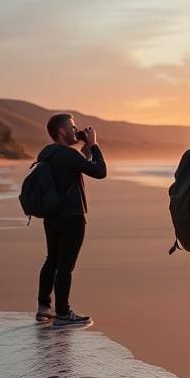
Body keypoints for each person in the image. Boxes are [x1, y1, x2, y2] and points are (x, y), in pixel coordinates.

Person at [35, 113, 107, 328]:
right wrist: (94, 145)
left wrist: (84, 151)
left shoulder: (48, 154)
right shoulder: (66, 154)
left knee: (52, 260)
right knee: (65, 266)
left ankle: (44, 308)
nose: (77, 131)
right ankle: (64, 314)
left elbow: (72, 170)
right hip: (72, 217)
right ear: (62, 131)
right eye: (73, 127)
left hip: (52, 216)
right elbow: (100, 172)